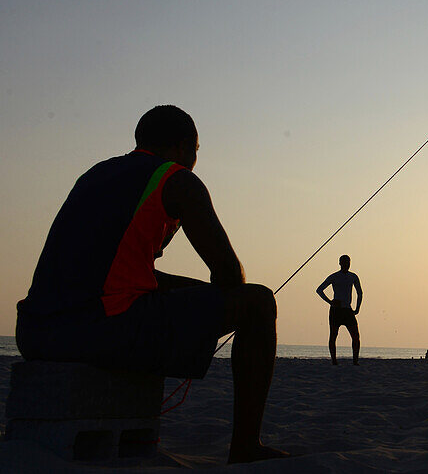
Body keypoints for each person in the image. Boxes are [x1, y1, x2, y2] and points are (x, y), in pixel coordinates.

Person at [15, 105, 284, 463]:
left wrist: (186, 292)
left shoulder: (94, 175)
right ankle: (246, 447)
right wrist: (208, 299)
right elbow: (229, 277)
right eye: (196, 151)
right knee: (258, 302)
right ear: (185, 146)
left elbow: (120, 272)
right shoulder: (177, 179)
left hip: (35, 333)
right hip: (103, 328)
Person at [316, 255, 363, 365]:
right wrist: (330, 301)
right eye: (344, 262)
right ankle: (334, 361)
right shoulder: (334, 276)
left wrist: (357, 308)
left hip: (348, 310)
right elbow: (319, 290)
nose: (346, 264)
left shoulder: (353, 276)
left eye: (348, 262)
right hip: (336, 310)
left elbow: (360, 293)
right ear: (340, 263)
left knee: (355, 336)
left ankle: (355, 361)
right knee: (333, 335)